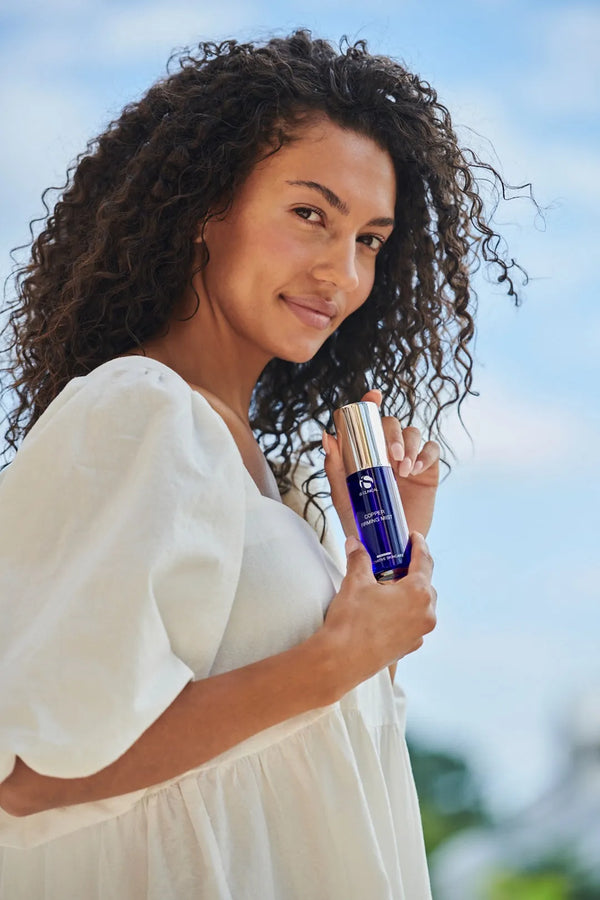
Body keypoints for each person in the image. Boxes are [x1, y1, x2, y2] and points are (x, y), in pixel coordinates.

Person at [0, 31, 524, 900]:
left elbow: (308, 752)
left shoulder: (252, 470)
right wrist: (325, 663)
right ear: (206, 208)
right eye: (311, 214)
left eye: (370, 239)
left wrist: (381, 558)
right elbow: (24, 775)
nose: (341, 272)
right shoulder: (139, 410)